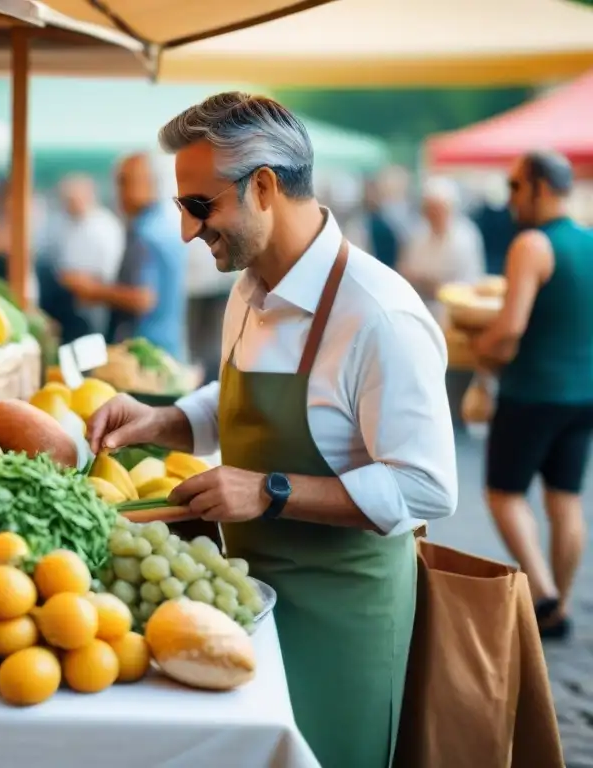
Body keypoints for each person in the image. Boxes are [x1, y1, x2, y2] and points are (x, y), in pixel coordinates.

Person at [87, 93, 457, 768]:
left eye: (200, 207)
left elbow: (427, 486)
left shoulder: (379, 315)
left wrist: (270, 490)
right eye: (182, 208)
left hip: (344, 621)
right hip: (248, 601)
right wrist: (163, 419)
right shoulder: (248, 285)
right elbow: (230, 394)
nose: (187, 232)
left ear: (262, 187)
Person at [472, 150, 593, 640]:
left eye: (516, 187)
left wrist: (478, 350)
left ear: (541, 187)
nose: (510, 198)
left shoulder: (532, 245)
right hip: (584, 393)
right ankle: (560, 604)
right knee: (565, 500)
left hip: (532, 392)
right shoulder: (588, 241)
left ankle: (542, 595)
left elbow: (508, 331)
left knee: (504, 494)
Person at [61, 153, 186, 359]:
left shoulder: (145, 233)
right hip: (166, 351)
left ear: (148, 184)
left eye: (124, 182)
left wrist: (91, 290)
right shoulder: (165, 223)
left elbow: (143, 299)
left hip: (145, 356)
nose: (118, 192)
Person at [397, 177, 486, 323]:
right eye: (429, 209)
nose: (433, 215)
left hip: (453, 315)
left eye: (437, 209)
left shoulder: (466, 237)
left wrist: (433, 285)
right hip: (420, 311)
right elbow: (406, 271)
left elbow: (470, 283)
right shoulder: (418, 235)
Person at [55, 174, 125, 338]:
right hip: (74, 302)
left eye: (72, 199)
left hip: (95, 303)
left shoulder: (104, 226)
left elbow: (110, 271)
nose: (69, 204)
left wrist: (82, 282)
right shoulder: (71, 224)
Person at [344, 176, 400, 269]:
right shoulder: (357, 222)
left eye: (374, 192)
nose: (371, 196)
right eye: (368, 192)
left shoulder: (388, 223)